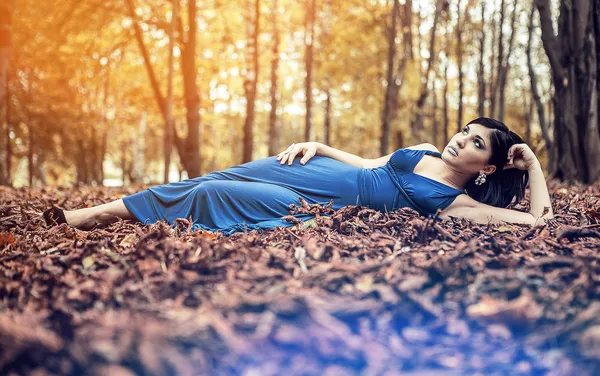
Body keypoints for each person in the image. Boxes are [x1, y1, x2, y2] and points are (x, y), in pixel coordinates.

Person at [42, 117, 554, 234]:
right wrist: (319, 145)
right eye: (466, 129)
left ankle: (100, 217)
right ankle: (91, 214)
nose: (461, 139)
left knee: (217, 194)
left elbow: (537, 221)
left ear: (486, 167)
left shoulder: (459, 203)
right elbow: (371, 165)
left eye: (476, 142)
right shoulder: (420, 148)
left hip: (324, 206)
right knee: (221, 174)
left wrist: (531, 164)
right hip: (321, 172)